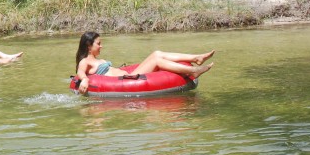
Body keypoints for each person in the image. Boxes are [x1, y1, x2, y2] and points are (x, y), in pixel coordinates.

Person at [73, 31, 215, 94]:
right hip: (129, 79)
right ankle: (193, 71)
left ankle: (196, 58)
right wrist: (85, 80)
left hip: (130, 74)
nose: (101, 46)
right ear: (88, 45)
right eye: (99, 44)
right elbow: (79, 72)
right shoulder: (85, 61)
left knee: (157, 53)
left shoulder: (97, 60)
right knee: (157, 59)